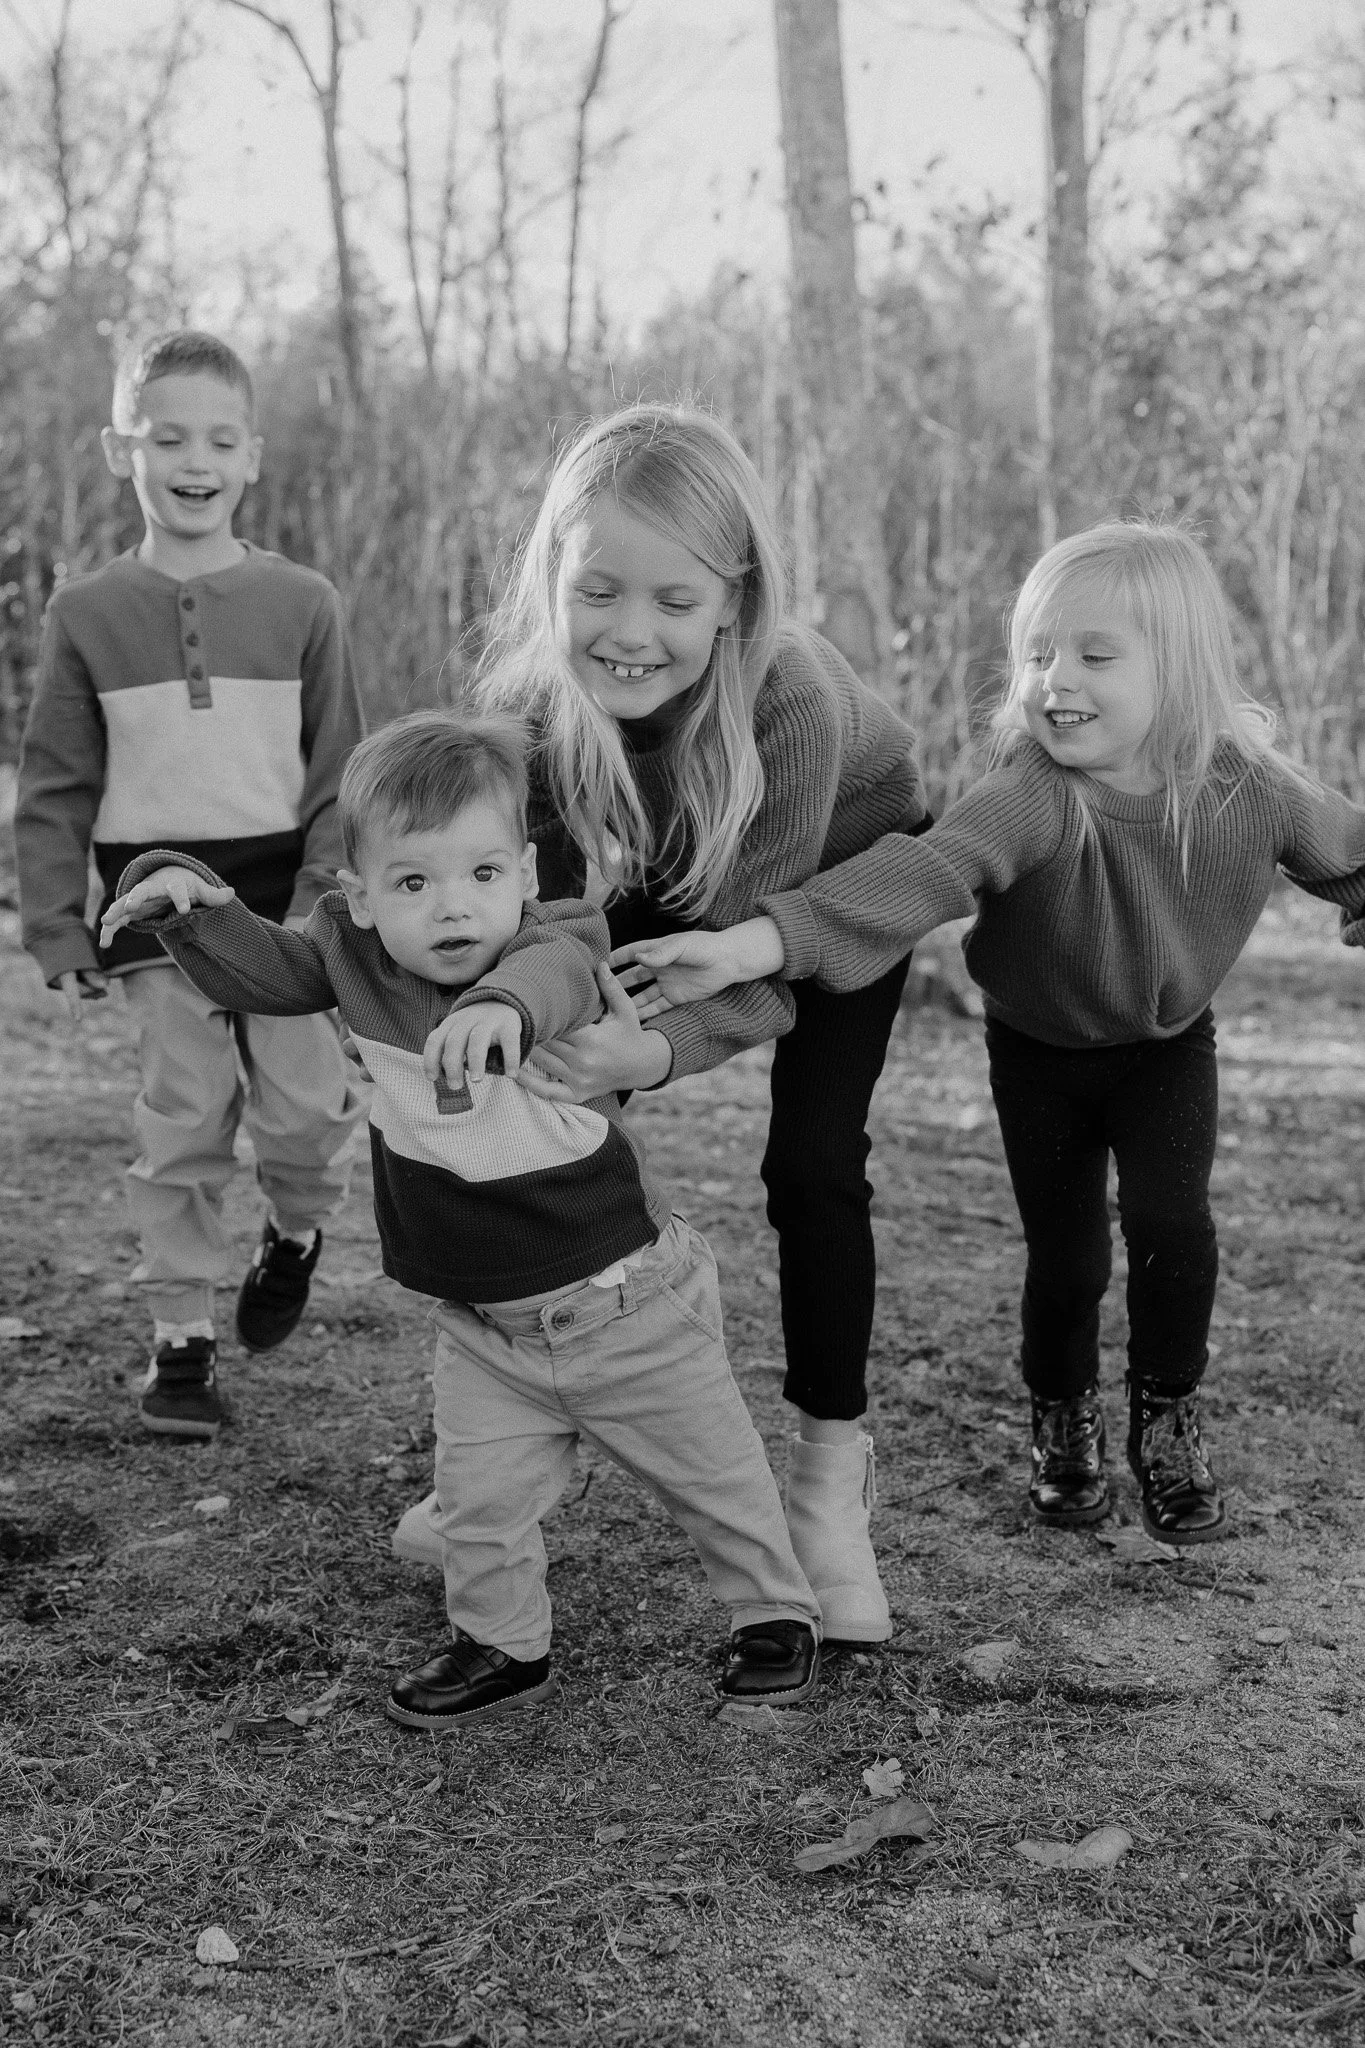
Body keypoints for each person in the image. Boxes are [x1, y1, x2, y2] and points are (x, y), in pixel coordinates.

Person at [612, 521, 1365, 1545]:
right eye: (1039, 653)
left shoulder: (1248, 789)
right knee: (1068, 1258)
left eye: (1096, 656)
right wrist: (755, 943)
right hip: (1038, 1056)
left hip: (1165, 1044)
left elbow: (1348, 852)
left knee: (1172, 1225)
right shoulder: (1033, 795)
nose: (1057, 679)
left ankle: (1169, 1423)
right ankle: (1063, 1428)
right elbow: (922, 875)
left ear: (1181, 673)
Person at [99, 711, 822, 1727]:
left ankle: (774, 1614)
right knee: (476, 1507)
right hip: (483, 1329)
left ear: (525, 871)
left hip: (627, 1304)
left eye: (483, 874)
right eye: (414, 883)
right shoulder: (349, 959)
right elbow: (260, 970)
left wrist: (503, 1008)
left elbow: (553, 977)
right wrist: (188, 908)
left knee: (715, 1476)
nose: (453, 907)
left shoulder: (555, 944)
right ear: (358, 896)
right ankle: (504, 1642)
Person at [389, 405, 931, 1646]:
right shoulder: (528, 713)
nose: (632, 633)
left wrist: (662, 1047)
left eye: (675, 601)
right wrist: (578, 1041)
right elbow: (548, 928)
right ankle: (521, 1445)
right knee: (560, 1115)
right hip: (673, 864)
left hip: (837, 882)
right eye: (599, 591)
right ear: (552, 583)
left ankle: (826, 1485)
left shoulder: (790, 697)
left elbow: (756, 954)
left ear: (734, 605)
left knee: (812, 1166)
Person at [15, 330, 366, 1441]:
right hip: (153, 905)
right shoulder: (86, 612)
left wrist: (327, 899)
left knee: (307, 1118)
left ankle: (296, 1233)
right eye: (167, 437)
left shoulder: (305, 602)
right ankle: (181, 1343)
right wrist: (57, 925)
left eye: (219, 438)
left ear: (253, 455)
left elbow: (339, 774)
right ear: (126, 447)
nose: (194, 459)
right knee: (182, 1119)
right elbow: (57, 781)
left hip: (284, 908)